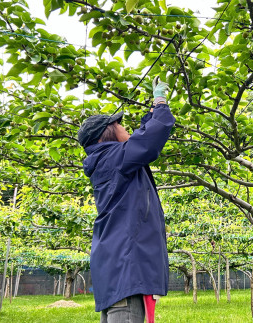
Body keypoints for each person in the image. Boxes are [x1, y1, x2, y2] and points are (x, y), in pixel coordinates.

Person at [77, 79, 175, 323]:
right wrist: (160, 104)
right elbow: (148, 142)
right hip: (126, 267)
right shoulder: (114, 158)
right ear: (107, 133)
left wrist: (151, 114)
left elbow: (140, 141)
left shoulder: (109, 161)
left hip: (116, 267)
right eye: (119, 124)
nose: (125, 127)